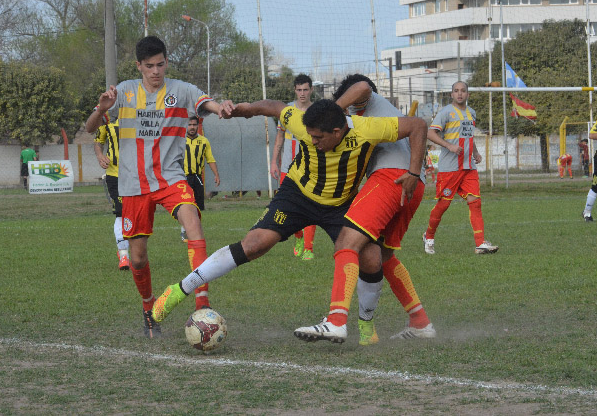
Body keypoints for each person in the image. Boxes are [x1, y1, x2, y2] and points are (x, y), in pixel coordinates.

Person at [150, 98, 428, 340]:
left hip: (340, 203)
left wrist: (414, 173)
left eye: (318, 138)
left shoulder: (367, 129)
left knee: (371, 259)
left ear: (338, 130)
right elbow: (273, 107)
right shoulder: (300, 123)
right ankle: (179, 289)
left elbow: (417, 125)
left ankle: (366, 328)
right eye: (309, 136)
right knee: (255, 244)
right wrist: (242, 111)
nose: (312, 141)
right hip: (297, 196)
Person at [84, 36, 228, 338]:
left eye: (160, 64)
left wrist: (220, 107)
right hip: (133, 185)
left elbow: (205, 102)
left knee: (194, 225)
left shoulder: (181, 90)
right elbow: (89, 128)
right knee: (137, 257)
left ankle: (202, 303)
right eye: (149, 66)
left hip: (171, 178)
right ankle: (149, 308)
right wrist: (101, 109)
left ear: (166, 62)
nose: (156, 71)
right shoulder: (123, 92)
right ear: (139, 66)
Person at [293, 74, 433, 344]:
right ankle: (420, 321)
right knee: (383, 256)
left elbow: (362, 86)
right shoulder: (376, 118)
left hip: (392, 178)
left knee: (347, 242)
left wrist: (334, 109)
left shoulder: (365, 100)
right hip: (412, 185)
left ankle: (336, 321)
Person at [423, 81, 498, 255]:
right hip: (450, 168)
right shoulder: (446, 112)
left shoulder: (472, 113)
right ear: (451, 94)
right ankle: (429, 236)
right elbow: (430, 133)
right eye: (456, 91)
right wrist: (448, 146)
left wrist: (476, 153)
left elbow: (468, 136)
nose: (459, 94)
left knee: (475, 202)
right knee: (443, 205)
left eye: (463, 91)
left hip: (468, 167)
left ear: (467, 94)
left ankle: (480, 243)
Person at [270, 74, 317, 260]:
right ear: (295, 90)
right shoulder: (287, 110)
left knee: (311, 206)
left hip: (311, 167)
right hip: (288, 168)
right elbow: (279, 138)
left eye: (306, 89)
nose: (302, 93)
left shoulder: (317, 111)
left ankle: (308, 248)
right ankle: (298, 237)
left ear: (311, 90)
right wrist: (274, 161)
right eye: (299, 90)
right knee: (290, 208)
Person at [93, 120, 130, 270]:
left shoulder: (137, 115)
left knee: (136, 214)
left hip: (136, 174)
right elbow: (98, 141)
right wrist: (100, 155)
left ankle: (135, 251)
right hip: (114, 174)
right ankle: (124, 255)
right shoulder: (107, 121)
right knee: (121, 213)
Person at [181, 115, 220, 241]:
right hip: (183, 178)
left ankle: (194, 232)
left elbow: (210, 159)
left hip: (197, 177)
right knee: (185, 206)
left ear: (198, 126)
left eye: (194, 125)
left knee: (197, 207)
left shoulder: (204, 141)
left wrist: (216, 175)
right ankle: (184, 232)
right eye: (190, 124)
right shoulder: (180, 140)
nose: (192, 127)